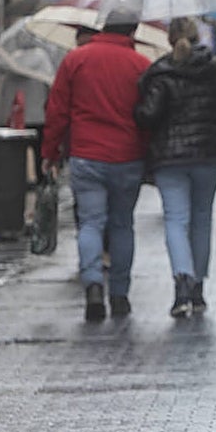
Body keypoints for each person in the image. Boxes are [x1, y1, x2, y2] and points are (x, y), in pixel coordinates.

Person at [41, 18, 150, 322]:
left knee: (90, 222)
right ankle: (119, 294)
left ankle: (91, 285)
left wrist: (49, 153)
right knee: (121, 225)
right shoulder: (140, 64)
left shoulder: (75, 59)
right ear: (132, 32)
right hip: (128, 157)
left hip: (86, 154)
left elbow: (57, 110)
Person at [135, 18, 216, 318]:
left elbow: (148, 115)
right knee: (202, 219)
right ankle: (199, 288)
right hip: (208, 153)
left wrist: (139, 108)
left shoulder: (161, 72)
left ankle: (182, 283)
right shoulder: (213, 68)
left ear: (169, 39)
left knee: (175, 220)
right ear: (196, 37)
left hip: (171, 158)